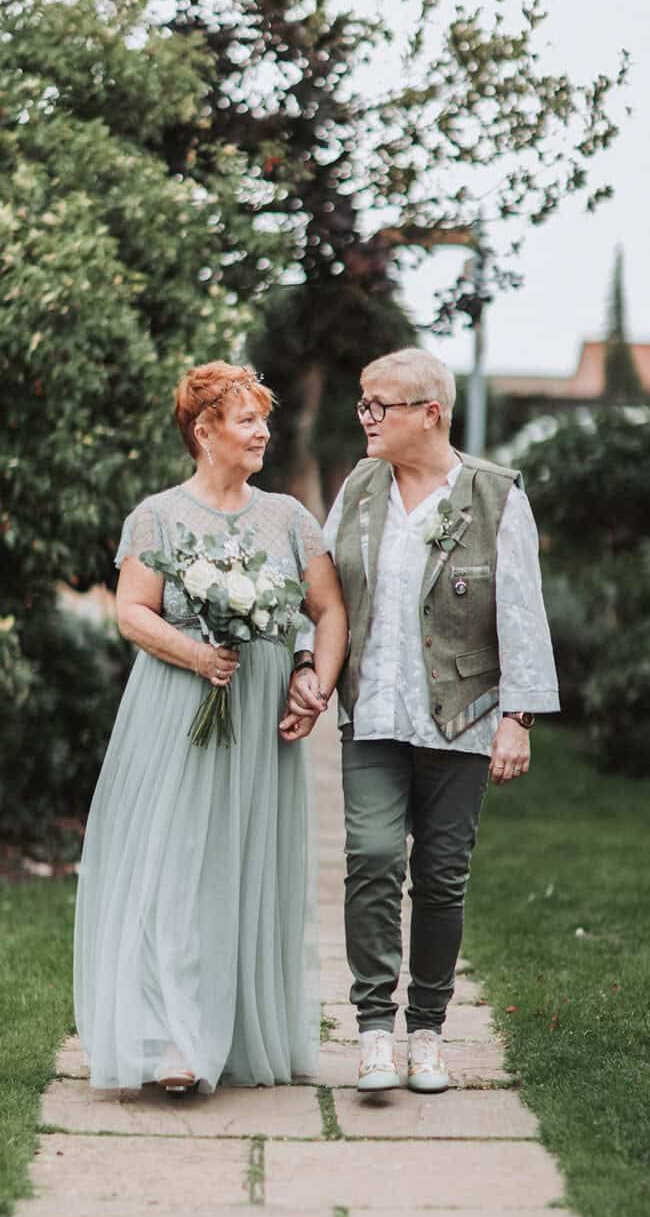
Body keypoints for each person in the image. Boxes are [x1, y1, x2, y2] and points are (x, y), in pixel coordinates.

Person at [286, 348, 559, 1093]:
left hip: (461, 721)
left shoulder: (496, 496)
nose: (365, 417)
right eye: (363, 404)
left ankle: (428, 1033)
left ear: (430, 414)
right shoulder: (363, 487)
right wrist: (310, 663)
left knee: (441, 879)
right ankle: (375, 1030)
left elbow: (522, 613)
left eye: (381, 405)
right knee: (372, 859)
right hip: (372, 714)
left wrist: (519, 718)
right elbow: (326, 593)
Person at [74, 361, 347, 1094]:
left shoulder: (289, 518)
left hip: (259, 714)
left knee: (246, 864)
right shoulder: (158, 516)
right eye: (247, 419)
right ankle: (170, 1039)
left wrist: (311, 680)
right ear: (205, 432)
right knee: (175, 861)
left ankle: (229, 1031)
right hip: (175, 705)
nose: (262, 431)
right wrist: (196, 652)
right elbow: (133, 611)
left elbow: (326, 611)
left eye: (263, 418)